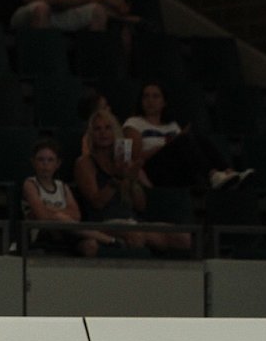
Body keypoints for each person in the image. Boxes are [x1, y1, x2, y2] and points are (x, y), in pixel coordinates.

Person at [72, 108, 191, 253]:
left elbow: (140, 206)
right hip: (103, 223)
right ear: (91, 134)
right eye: (97, 129)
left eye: (108, 128)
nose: (103, 133)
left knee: (183, 237)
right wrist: (117, 178)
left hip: (132, 221)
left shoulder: (124, 161)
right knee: (138, 236)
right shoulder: (85, 163)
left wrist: (132, 180)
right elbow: (97, 203)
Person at [123, 81, 251, 191]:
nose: (150, 101)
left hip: (176, 168)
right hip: (152, 169)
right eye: (146, 96)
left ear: (164, 102)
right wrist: (167, 144)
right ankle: (212, 175)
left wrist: (174, 141)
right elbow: (135, 158)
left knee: (198, 137)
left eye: (155, 96)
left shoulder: (172, 125)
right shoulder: (134, 123)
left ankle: (228, 171)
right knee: (183, 140)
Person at [21, 136, 109, 257]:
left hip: (67, 232)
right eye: (41, 160)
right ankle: (109, 240)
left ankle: (106, 244)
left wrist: (51, 210)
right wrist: (59, 215)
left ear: (57, 163)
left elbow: (76, 215)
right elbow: (42, 215)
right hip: (42, 234)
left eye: (50, 160)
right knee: (59, 218)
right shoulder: (30, 184)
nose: (45, 164)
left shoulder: (62, 186)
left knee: (90, 245)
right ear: (33, 162)